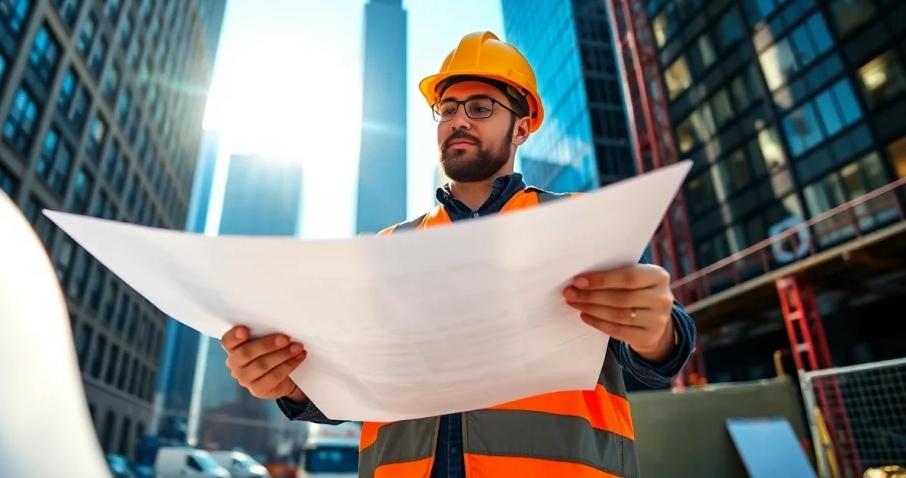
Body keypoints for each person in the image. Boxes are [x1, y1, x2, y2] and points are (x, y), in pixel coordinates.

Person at [220, 31, 697, 478]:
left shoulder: (577, 223)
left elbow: (656, 352)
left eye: (480, 107)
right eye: (447, 109)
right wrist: (289, 384)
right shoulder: (389, 249)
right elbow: (351, 386)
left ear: (523, 127)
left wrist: (657, 328)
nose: (458, 120)